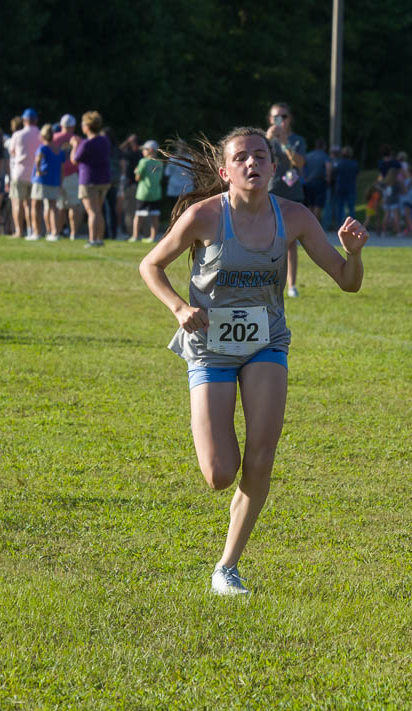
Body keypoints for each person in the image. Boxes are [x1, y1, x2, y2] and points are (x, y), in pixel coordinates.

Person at [138, 127, 369, 596]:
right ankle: (224, 461)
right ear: (225, 172)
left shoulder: (295, 217)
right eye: (241, 158)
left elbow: (348, 281)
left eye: (260, 156)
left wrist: (355, 253)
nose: (252, 164)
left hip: (267, 343)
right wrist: (181, 308)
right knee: (221, 473)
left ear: (273, 166)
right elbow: (150, 265)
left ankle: (227, 567)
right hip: (210, 346)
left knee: (261, 457)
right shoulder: (204, 216)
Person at [266, 103, 307, 297]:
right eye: (276, 117)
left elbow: (298, 163)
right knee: (266, 238)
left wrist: (284, 142)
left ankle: (291, 285)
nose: (280, 120)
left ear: (290, 119)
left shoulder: (298, 140)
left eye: (284, 116)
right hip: (271, 191)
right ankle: (267, 280)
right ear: (270, 120)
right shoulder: (265, 140)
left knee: (291, 241)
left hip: (292, 193)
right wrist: (267, 139)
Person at [72, 111, 114, 248]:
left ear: (87, 126)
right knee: (98, 210)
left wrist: (74, 145)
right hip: (104, 179)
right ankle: (99, 239)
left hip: (89, 179)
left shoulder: (86, 143)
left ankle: (92, 239)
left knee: (92, 211)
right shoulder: (105, 140)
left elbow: (75, 160)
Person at [8, 108, 42, 238]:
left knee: (17, 203)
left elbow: (12, 152)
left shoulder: (18, 135)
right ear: (36, 120)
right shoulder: (40, 134)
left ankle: (19, 231)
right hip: (34, 174)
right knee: (30, 205)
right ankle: (31, 230)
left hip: (19, 172)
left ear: (24, 120)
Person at [53, 114, 84, 241]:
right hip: (72, 174)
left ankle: (58, 232)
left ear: (61, 126)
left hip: (57, 175)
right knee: (73, 205)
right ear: (73, 126)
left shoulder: (54, 138)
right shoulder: (77, 139)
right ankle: (73, 233)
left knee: (59, 207)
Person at [30, 124, 64, 241]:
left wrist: (38, 171)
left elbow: (38, 159)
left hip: (42, 180)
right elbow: (62, 168)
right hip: (54, 181)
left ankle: (37, 232)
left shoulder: (43, 148)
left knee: (36, 205)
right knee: (53, 206)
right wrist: (61, 181)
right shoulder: (58, 150)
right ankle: (54, 233)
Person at [132, 139, 165, 242]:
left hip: (143, 193)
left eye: (145, 149)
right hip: (156, 193)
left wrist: (136, 171)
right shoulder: (160, 162)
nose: (143, 151)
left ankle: (136, 236)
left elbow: (138, 177)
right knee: (155, 216)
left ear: (150, 150)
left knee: (139, 215)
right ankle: (153, 237)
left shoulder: (143, 161)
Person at [117, 134, 142, 239]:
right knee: (132, 210)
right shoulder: (139, 153)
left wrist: (127, 142)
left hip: (132, 184)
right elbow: (119, 150)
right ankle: (133, 232)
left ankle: (132, 233)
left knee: (130, 210)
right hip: (135, 184)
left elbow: (119, 150)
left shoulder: (133, 153)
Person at [301, 139, 329, 221]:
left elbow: (302, 166)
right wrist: (328, 178)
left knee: (310, 204)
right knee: (318, 204)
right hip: (319, 182)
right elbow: (328, 166)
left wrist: (304, 178)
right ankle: (315, 224)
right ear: (323, 146)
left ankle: (309, 224)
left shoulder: (309, 155)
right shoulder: (324, 155)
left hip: (308, 183)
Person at [395, 151, 412, 236]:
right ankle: (410, 230)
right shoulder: (410, 179)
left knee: (407, 216)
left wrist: (399, 191)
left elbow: (405, 190)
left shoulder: (406, 179)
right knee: (411, 216)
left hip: (407, 198)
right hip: (411, 198)